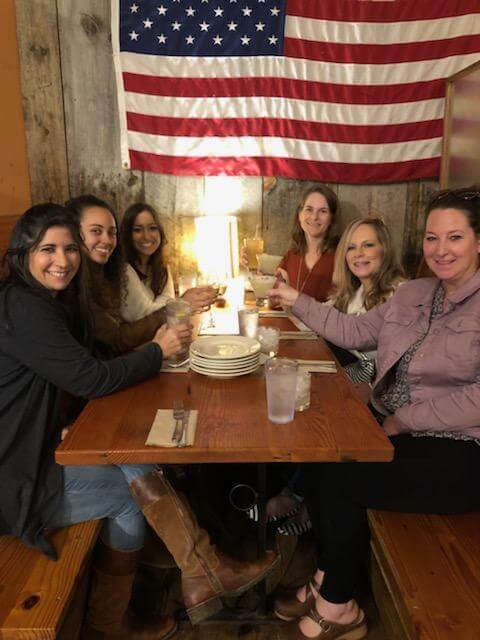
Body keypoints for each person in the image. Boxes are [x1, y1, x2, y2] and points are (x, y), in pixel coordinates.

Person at [0, 204, 277, 640]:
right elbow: (92, 377)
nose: (64, 259)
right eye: (47, 249)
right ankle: (114, 620)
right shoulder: (24, 307)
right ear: (22, 254)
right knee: (133, 492)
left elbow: (73, 372)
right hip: (14, 479)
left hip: (34, 452)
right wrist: (157, 350)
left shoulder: (43, 302)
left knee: (138, 462)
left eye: (70, 248)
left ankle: (199, 570)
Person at [268, 187, 480, 639]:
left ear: (479, 242)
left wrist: (405, 419)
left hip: (461, 449)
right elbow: (353, 330)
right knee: (328, 461)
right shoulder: (415, 294)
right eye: (431, 238)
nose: (440, 250)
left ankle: (342, 610)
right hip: (395, 431)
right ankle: (328, 579)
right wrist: (294, 298)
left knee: (344, 479)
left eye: (455, 238)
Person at [267, 218, 406, 536]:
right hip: (346, 381)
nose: (359, 253)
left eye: (368, 244)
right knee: (302, 399)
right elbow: (320, 318)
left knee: (316, 413)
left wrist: (370, 389)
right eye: (352, 247)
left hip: (375, 392)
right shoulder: (354, 292)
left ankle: (303, 500)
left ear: (385, 248)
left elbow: (395, 363)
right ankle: (298, 493)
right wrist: (287, 299)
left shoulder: (400, 294)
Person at [65, 195, 173, 357]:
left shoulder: (107, 270)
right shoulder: (75, 281)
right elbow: (117, 339)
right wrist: (178, 306)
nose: (107, 240)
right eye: (96, 231)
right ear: (73, 233)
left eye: (111, 232)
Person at [119, 202, 217, 322]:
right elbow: (143, 317)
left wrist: (181, 305)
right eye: (137, 230)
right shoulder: (124, 270)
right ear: (128, 235)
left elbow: (170, 309)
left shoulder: (160, 266)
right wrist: (183, 303)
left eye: (152, 228)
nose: (146, 236)